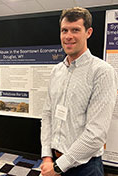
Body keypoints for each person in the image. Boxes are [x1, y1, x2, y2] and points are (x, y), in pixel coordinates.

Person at [40, 7, 117, 176]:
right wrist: (46, 156)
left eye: (75, 30)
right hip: (54, 160)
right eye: (64, 30)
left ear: (88, 32)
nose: (68, 36)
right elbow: (47, 114)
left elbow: (96, 134)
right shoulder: (56, 71)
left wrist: (59, 166)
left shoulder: (102, 72)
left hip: (85, 168)